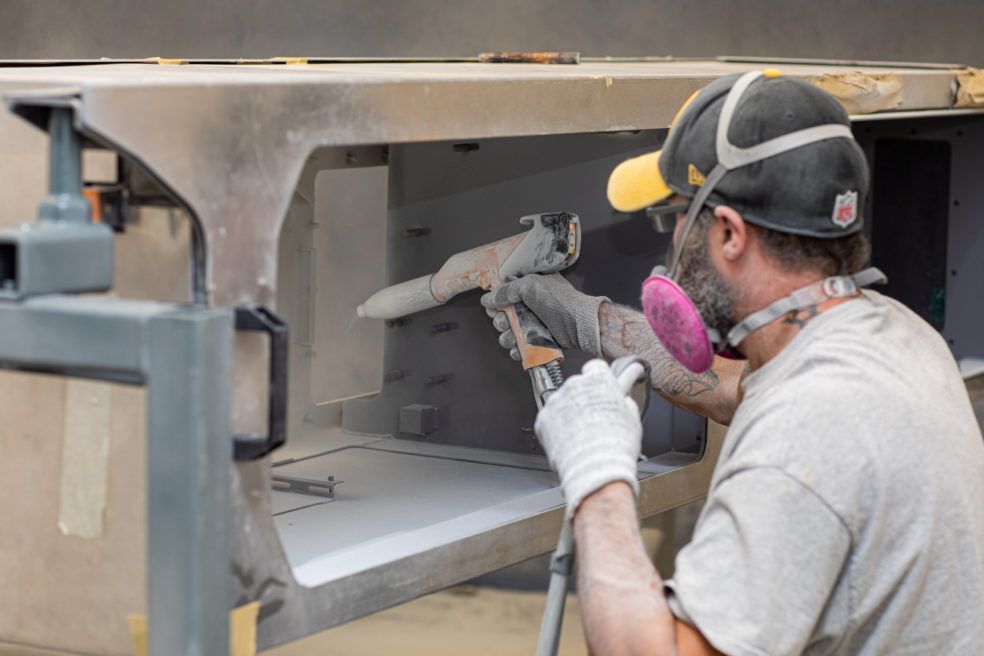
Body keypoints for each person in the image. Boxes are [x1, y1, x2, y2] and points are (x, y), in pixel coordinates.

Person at [482, 71, 984, 655]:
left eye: (672, 222)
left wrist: (598, 480)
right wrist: (588, 321)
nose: (670, 248)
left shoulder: (807, 433)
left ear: (728, 235)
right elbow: (735, 389)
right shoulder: (890, 334)